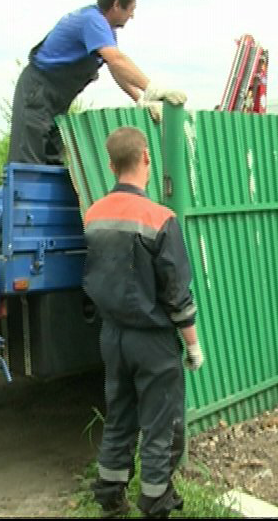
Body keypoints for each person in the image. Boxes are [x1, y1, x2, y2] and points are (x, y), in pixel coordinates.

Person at [83, 126, 204, 517]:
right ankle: (156, 503)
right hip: (152, 343)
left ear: (110, 164)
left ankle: (110, 501)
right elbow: (176, 293)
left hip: (112, 336)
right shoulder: (159, 218)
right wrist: (193, 345)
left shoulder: (94, 214)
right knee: (161, 427)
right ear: (146, 159)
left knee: (119, 417)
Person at [7, 0, 186, 165]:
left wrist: (140, 99)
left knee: (52, 158)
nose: (132, 15)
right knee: (29, 160)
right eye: (131, 9)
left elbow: (116, 68)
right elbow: (118, 60)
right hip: (37, 92)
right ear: (117, 5)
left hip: (55, 100)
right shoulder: (92, 21)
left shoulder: (105, 29)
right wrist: (152, 88)